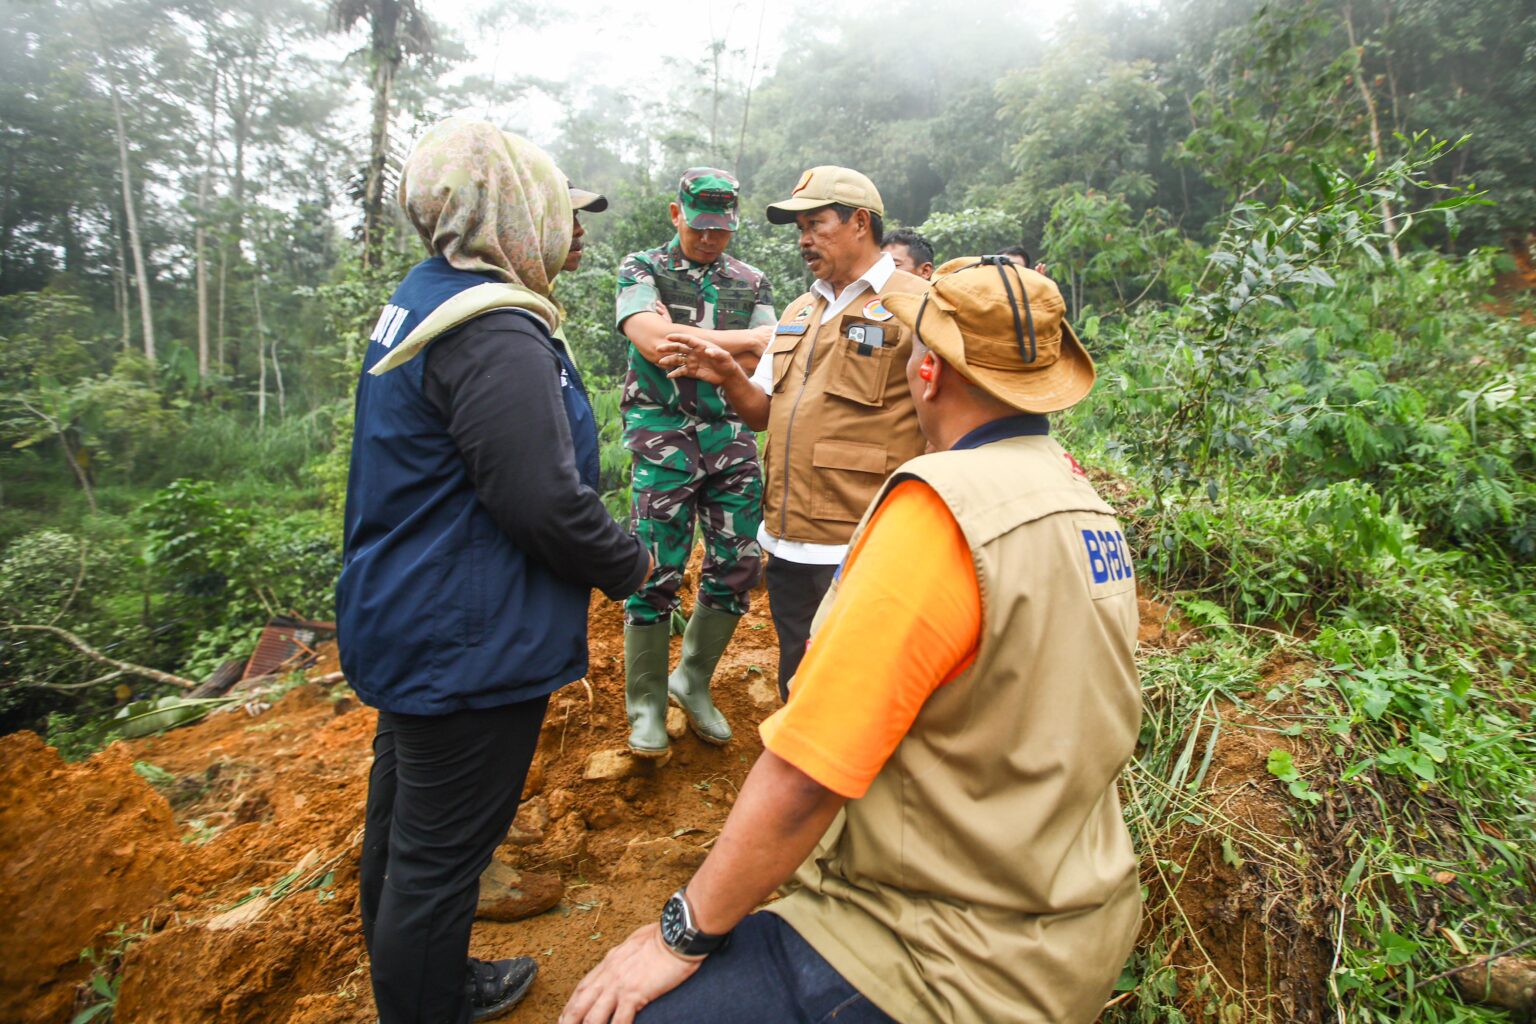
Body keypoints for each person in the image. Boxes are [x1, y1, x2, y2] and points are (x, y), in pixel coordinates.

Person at [561, 255, 1142, 1024]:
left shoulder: (940, 514)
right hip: (1075, 925)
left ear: (927, 372)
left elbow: (808, 775)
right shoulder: (1085, 503)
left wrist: (679, 936)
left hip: (936, 957)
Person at [336, 118, 650, 1024]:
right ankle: (426, 1002)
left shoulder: (425, 297)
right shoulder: (493, 331)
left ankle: (432, 980)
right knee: (438, 857)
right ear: (508, 208)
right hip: (463, 636)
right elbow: (541, 502)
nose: (576, 230)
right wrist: (632, 565)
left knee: (404, 837)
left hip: (414, 608)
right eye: (562, 208)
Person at [659, 165, 929, 697]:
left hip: (860, 545)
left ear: (858, 222)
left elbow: (944, 426)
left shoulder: (916, 305)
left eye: (815, 223)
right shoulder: (800, 311)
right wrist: (728, 374)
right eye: (798, 227)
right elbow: (762, 413)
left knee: (858, 694)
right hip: (786, 542)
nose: (804, 239)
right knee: (796, 685)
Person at [614, 168, 777, 757]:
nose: (711, 238)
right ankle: (647, 707)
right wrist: (739, 342)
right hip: (663, 431)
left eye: (722, 229)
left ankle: (693, 680)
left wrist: (688, 335)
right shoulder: (643, 268)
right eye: (702, 226)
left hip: (730, 430)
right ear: (676, 213)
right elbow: (655, 344)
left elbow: (774, 347)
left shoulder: (750, 281)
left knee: (738, 563)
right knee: (657, 568)